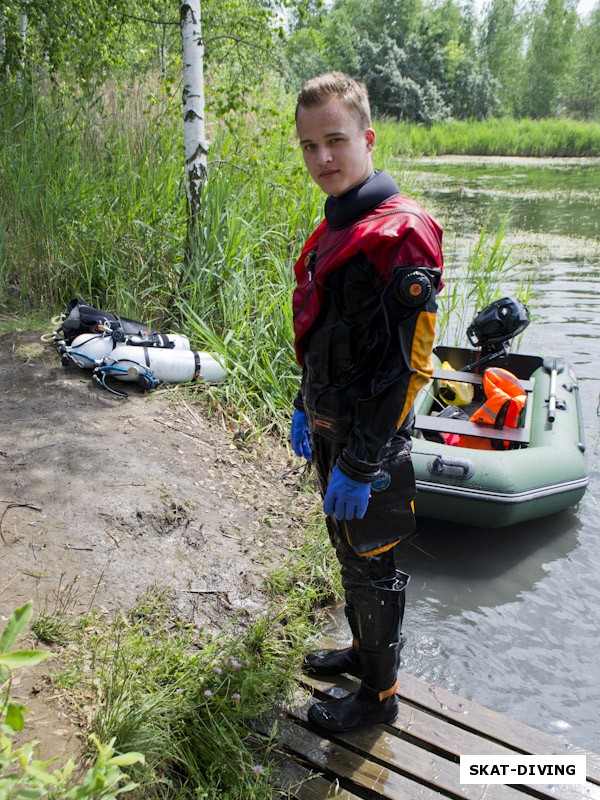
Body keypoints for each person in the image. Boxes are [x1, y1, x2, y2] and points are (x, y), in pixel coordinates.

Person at [290, 72, 444, 733]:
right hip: (333, 427)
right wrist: (306, 403)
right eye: (308, 146)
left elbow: (410, 365)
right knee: (352, 558)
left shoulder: (401, 234)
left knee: (374, 565)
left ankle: (379, 700)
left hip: (369, 444)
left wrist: (360, 460)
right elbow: (326, 332)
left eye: (335, 141)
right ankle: (362, 652)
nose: (322, 158)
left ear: (367, 138)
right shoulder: (337, 224)